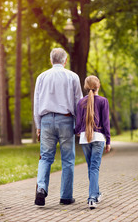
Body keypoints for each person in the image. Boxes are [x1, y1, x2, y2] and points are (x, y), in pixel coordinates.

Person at [34, 48, 83, 206]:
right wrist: (79, 124)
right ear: (65, 60)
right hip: (66, 121)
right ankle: (66, 197)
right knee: (68, 159)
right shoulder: (73, 76)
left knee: (45, 157)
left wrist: (38, 125)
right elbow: (79, 102)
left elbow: (37, 103)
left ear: (51, 60)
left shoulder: (41, 77)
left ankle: (41, 188)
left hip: (46, 120)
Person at [74, 75, 111, 209]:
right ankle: (92, 198)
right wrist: (108, 140)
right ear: (98, 86)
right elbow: (106, 123)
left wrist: (77, 131)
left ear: (85, 86)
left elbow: (78, 124)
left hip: (85, 138)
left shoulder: (81, 102)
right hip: (98, 138)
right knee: (94, 168)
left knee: (91, 168)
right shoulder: (103, 101)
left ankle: (97, 193)